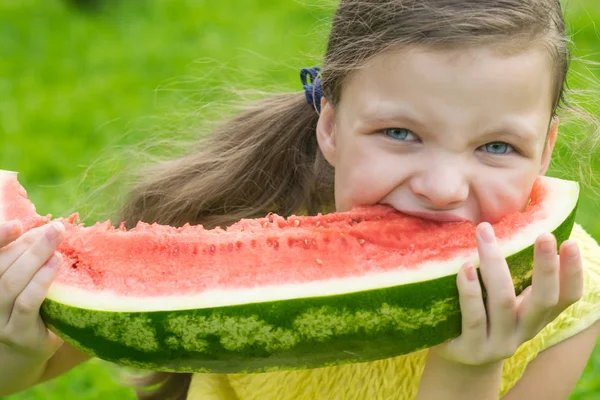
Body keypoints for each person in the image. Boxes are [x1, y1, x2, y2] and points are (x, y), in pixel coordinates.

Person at [1, 0, 599, 399]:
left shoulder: (570, 300)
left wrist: (467, 372)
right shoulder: (239, 205)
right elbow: (21, 373)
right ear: (331, 125)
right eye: (400, 134)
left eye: (496, 146)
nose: (443, 188)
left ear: (545, 150)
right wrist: (14, 344)